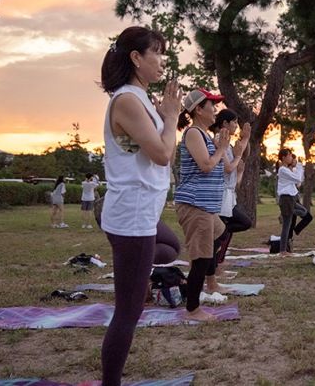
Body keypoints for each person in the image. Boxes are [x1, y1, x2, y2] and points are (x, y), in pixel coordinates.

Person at [99, 26, 183, 386]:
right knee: (128, 311)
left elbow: (156, 151)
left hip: (140, 212)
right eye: (157, 53)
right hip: (130, 215)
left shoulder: (140, 100)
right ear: (136, 57)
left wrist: (165, 115)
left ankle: (140, 276)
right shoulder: (128, 101)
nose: (162, 61)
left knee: (170, 249)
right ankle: (110, 383)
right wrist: (172, 117)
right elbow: (163, 154)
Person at [174, 88, 230, 315]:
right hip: (195, 204)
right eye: (211, 105)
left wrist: (221, 148)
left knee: (221, 232)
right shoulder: (193, 133)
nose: (215, 110)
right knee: (201, 257)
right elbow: (206, 165)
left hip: (206, 206)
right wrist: (222, 150)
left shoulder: (204, 134)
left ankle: (194, 287)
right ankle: (193, 309)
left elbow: (221, 166)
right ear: (198, 109)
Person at [210, 109, 253, 268]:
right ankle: (212, 270)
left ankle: (216, 265)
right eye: (234, 122)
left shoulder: (226, 142)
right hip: (219, 195)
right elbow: (229, 167)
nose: (236, 125)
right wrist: (238, 157)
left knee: (227, 230)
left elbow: (240, 154)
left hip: (228, 195)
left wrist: (246, 139)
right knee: (220, 233)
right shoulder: (217, 140)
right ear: (224, 123)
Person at [276, 149, 313, 256]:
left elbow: (298, 181)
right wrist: (299, 166)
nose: (291, 158)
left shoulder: (287, 170)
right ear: (283, 157)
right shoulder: (283, 170)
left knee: (304, 212)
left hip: (291, 198)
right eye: (289, 156)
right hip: (286, 199)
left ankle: (288, 212)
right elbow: (298, 179)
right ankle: (283, 250)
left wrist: (295, 168)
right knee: (286, 225)